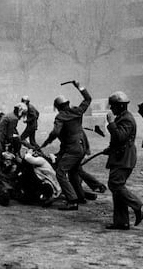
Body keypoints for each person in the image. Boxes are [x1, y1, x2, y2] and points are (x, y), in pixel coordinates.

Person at [40, 80, 91, 211]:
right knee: (73, 172)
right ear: (67, 103)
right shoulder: (77, 111)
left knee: (61, 173)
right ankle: (80, 196)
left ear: (58, 107)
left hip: (72, 149)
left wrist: (47, 142)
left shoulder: (60, 117)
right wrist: (79, 86)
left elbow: (56, 132)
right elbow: (88, 98)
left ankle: (72, 201)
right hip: (82, 147)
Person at [104, 91, 143, 230]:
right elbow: (119, 140)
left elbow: (120, 137)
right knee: (117, 188)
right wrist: (110, 148)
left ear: (121, 106)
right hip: (119, 156)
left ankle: (138, 206)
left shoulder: (127, 119)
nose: (111, 109)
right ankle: (121, 222)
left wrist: (110, 123)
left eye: (113, 106)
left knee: (115, 184)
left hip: (124, 158)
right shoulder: (122, 117)